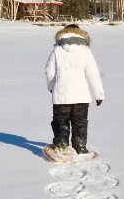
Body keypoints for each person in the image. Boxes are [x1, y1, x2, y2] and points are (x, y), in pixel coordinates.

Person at [45, 24, 105, 159]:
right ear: (80, 34)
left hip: (61, 93)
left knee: (61, 121)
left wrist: (51, 86)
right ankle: (80, 148)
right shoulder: (85, 50)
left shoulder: (57, 49)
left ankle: (61, 146)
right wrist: (99, 94)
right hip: (81, 95)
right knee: (80, 122)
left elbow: (49, 72)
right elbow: (93, 73)